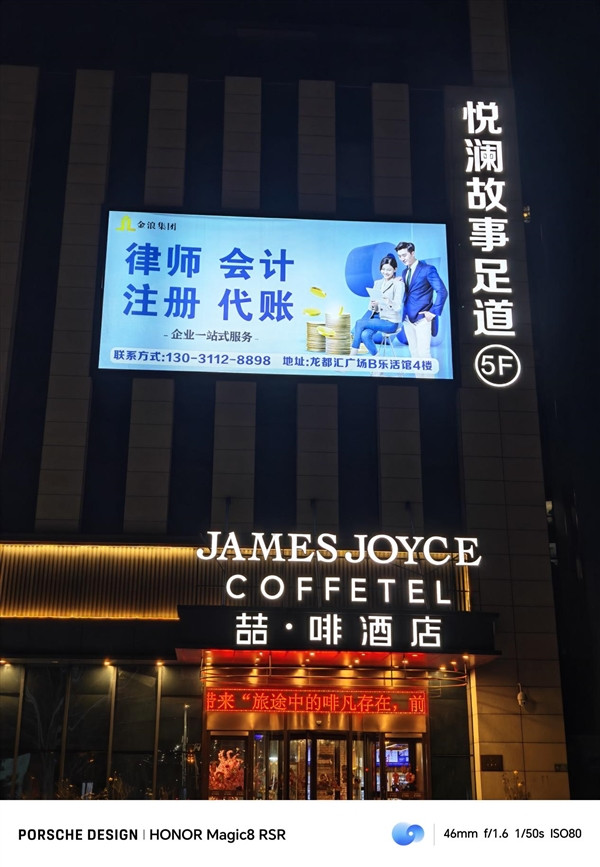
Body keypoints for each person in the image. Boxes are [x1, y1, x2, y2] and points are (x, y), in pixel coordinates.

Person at [395, 241, 447, 359]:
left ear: (412, 253)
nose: (402, 259)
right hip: (407, 318)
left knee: (424, 354)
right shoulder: (404, 272)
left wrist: (432, 312)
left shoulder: (428, 269)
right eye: (399, 256)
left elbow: (442, 291)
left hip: (422, 318)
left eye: (404, 255)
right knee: (414, 354)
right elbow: (409, 293)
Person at [350, 255, 404, 356]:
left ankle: (352, 355)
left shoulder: (398, 284)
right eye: (383, 269)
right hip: (377, 318)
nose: (385, 272)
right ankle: (377, 360)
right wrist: (373, 304)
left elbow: (398, 307)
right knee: (365, 335)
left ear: (395, 269)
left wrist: (387, 301)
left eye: (389, 270)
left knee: (359, 323)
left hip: (390, 322)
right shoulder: (377, 283)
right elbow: (371, 308)